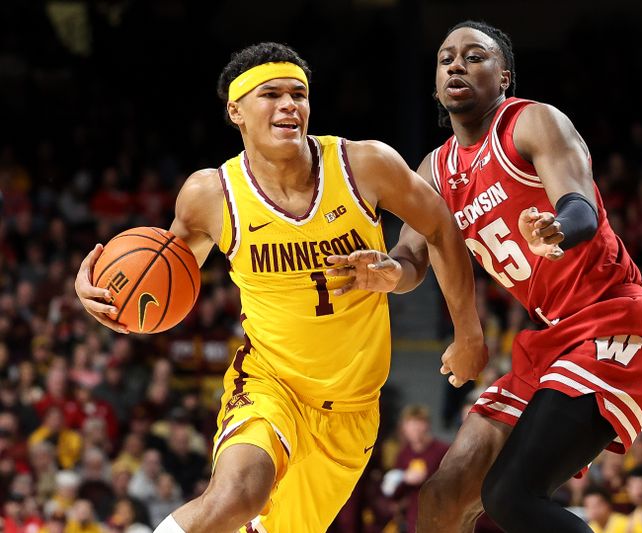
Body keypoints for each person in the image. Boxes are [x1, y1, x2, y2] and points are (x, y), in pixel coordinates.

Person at [74, 42, 486, 533]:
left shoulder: (364, 165)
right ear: (236, 111)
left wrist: (454, 323)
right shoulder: (211, 195)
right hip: (271, 384)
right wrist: (105, 295)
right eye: (271, 94)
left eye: (299, 94)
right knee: (236, 496)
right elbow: (156, 285)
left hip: (352, 410)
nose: (290, 104)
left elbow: (439, 228)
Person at [329, 20, 642, 532]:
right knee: (442, 498)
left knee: (511, 496)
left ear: (504, 77)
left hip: (617, 324)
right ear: (434, 83)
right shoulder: (433, 171)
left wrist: (555, 231)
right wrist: (388, 272)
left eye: (475, 56)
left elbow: (580, 208)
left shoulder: (532, 123)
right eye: (446, 57)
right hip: (552, 339)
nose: (457, 64)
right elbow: (410, 260)